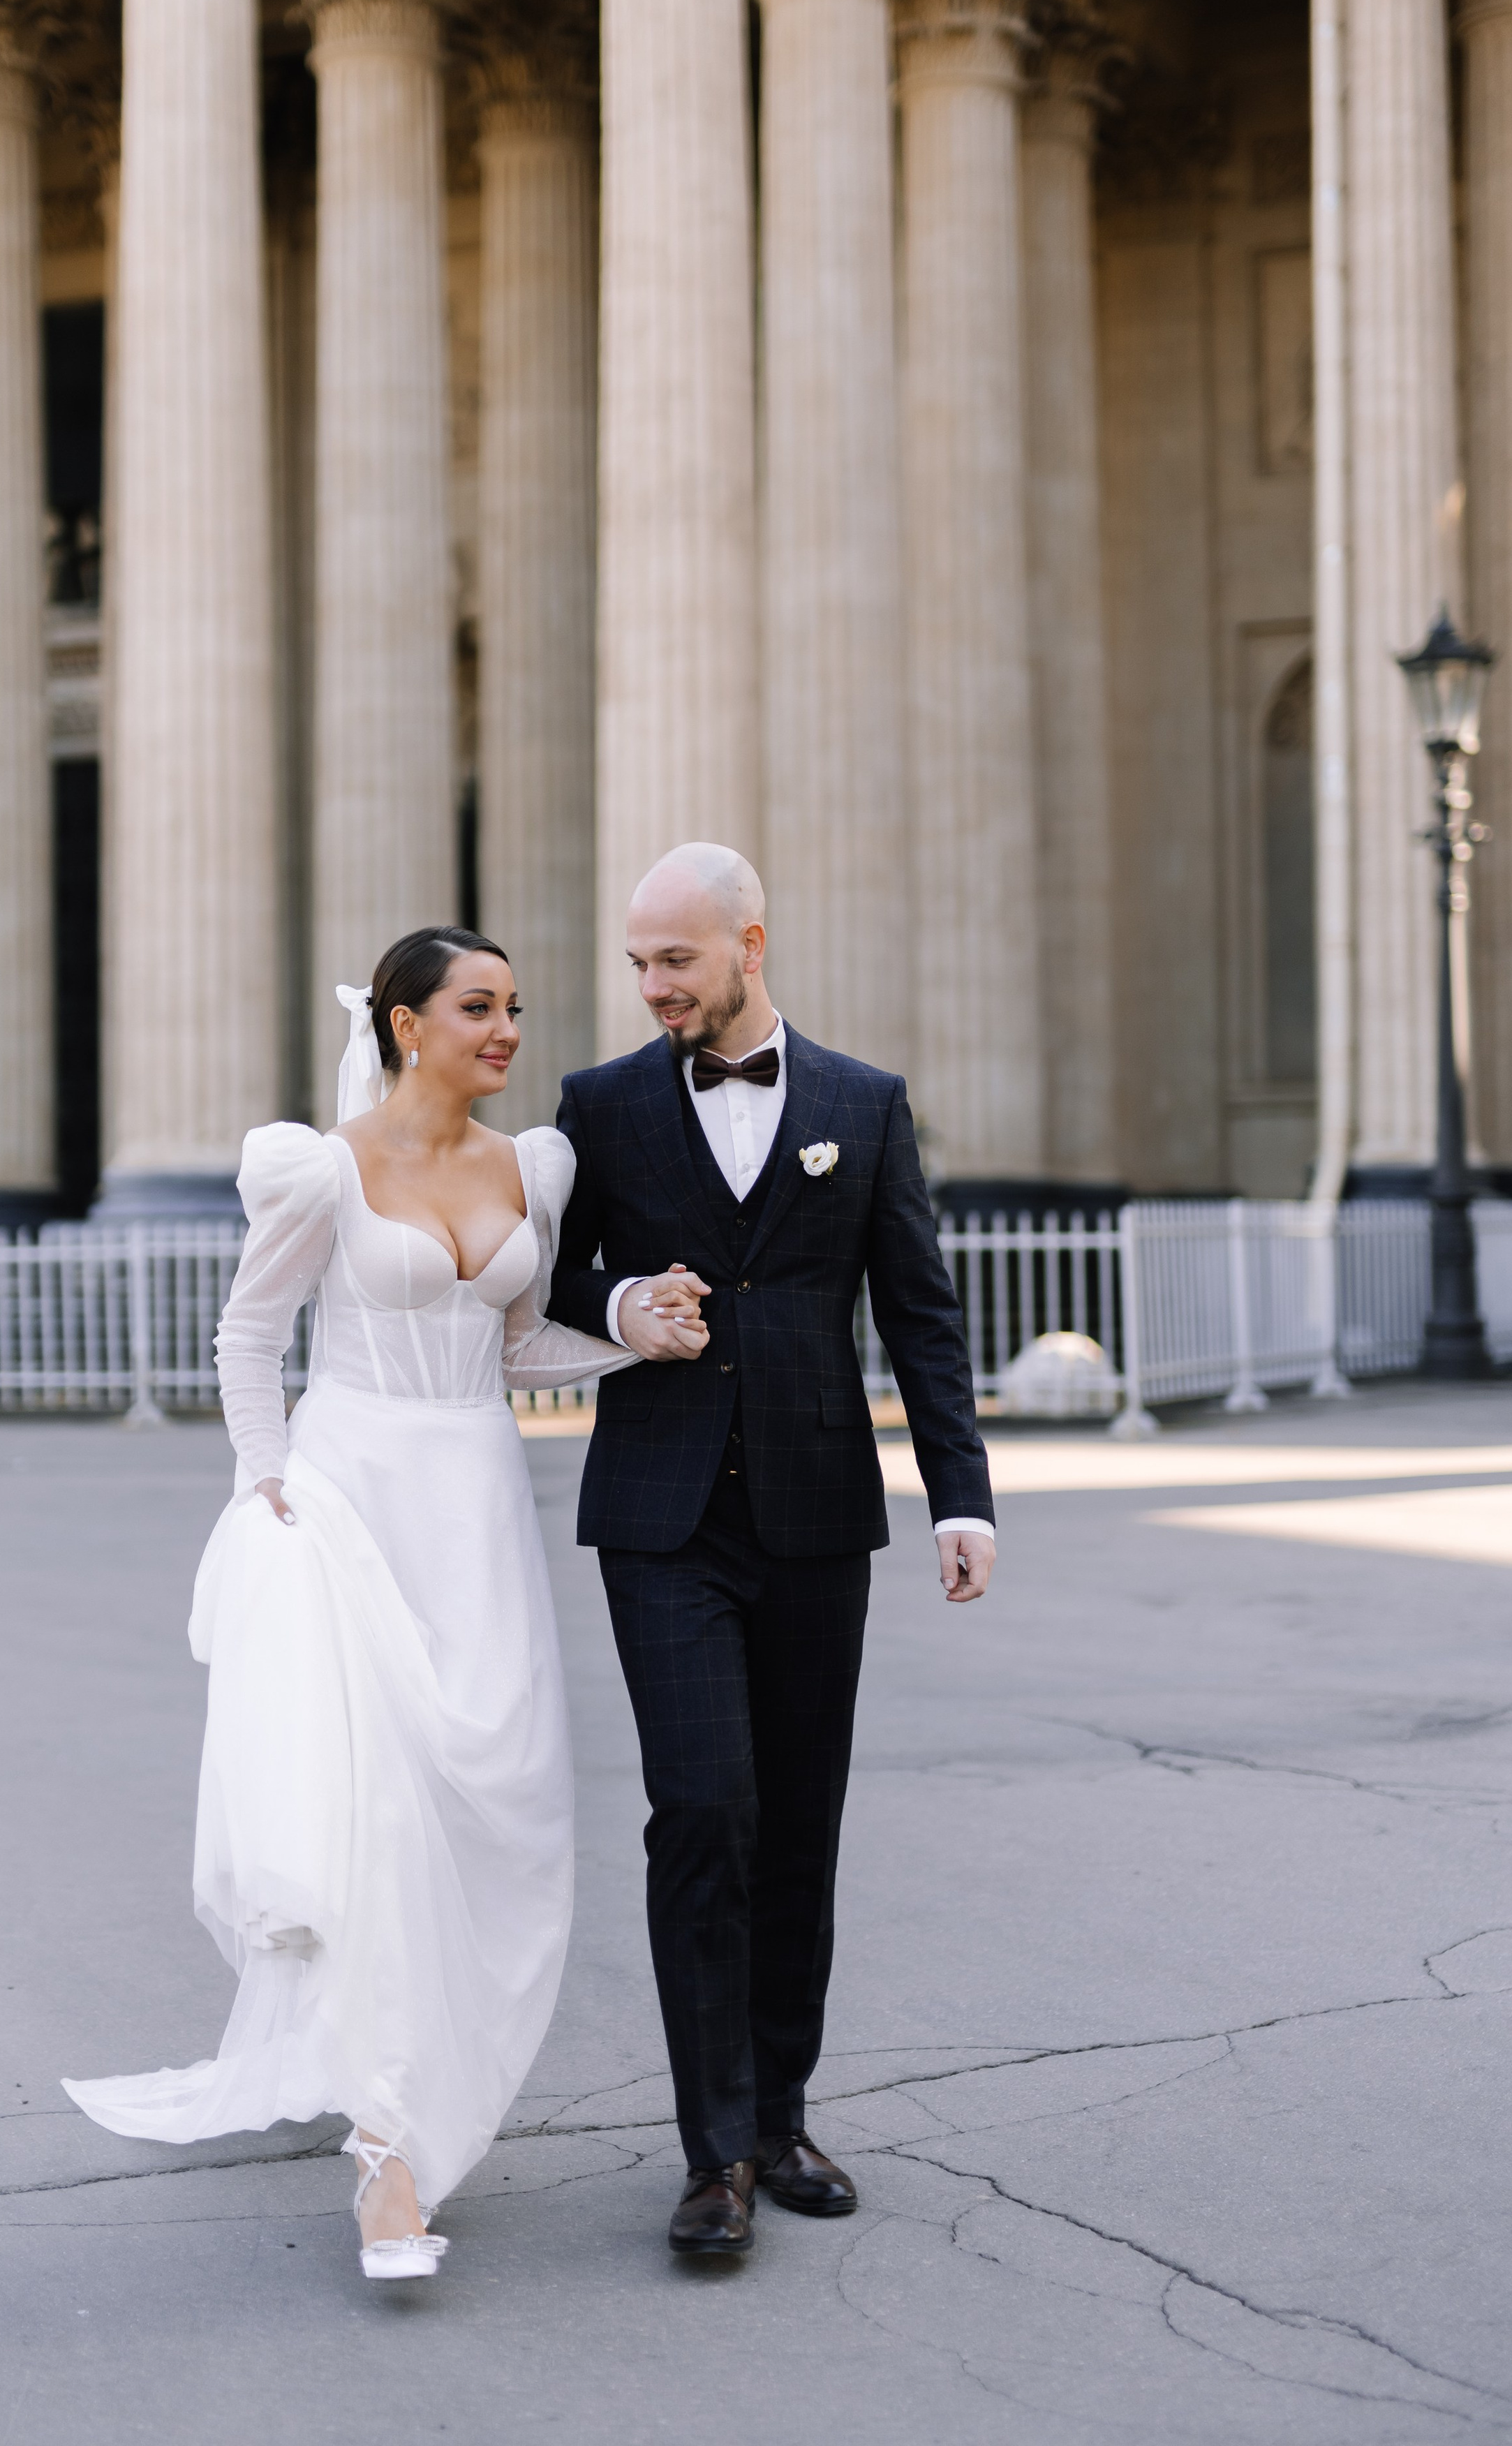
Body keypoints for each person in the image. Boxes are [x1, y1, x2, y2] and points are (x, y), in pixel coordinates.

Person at [61, 928, 688, 2283]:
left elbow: (516, 1346)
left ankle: (414, 2082)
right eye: (477, 1007)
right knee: (377, 1813)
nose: (506, 1028)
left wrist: (626, 1333)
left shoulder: (536, 1166)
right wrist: (265, 1480)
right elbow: (248, 1330)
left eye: (515, 1007)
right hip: (347, 1499)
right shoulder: (322, 1166)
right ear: (406, 1025)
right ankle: (385, 2157)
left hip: (473, 1503)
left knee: (498, 1802)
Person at [547, 843, 996, 2256]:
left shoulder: (861, 1106)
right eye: (635, 963)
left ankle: (779, 2115)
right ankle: (709, 2155)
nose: (650, 986)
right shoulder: (601, 1106)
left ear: (749, 943)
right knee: (701, 1810)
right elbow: (547, 1271)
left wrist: (960, 1497)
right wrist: (623, 1308)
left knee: (797, 1821)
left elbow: (917, 1311)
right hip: (660, 1520)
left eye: (672, 960)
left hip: (813, 1518)